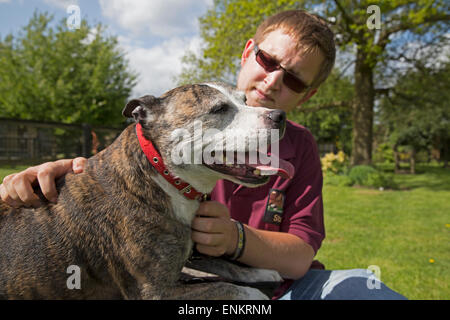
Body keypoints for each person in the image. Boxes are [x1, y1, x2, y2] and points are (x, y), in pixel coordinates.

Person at [0, 10, 406, 300]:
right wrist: (53, 175)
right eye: (267, 60)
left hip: (285, 287)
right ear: (249, 52)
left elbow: (301, 255)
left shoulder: (298, 146)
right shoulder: (179, 120)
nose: (273, 81)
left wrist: (235, 237)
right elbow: (116, 176)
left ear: (309, 94)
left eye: (295, 79)